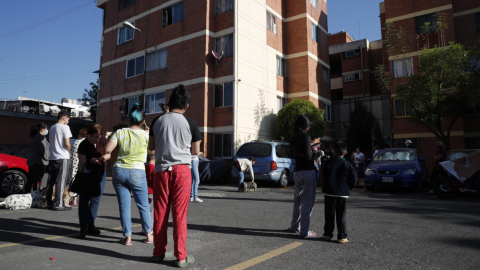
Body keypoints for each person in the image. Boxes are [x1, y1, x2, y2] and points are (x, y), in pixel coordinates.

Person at [148, 84, 197, 267]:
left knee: (160, 212)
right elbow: (195, 150)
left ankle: (159, 252)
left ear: (169, 102)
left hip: (161, 170)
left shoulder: (157, 121)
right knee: (179, 215)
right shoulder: (190, 123)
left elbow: (151, 149)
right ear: (186, 106)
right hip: (182, 170)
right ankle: (181, 257)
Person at [100, 104, 153, 245]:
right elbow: (152, 152)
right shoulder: (146, 134)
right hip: (137, 171)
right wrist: (147, 133)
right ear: (143, 121)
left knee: (124, 206)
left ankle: (127, 237)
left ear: (129, 120)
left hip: (119, 171)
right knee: (143, 205)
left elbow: (107, 149)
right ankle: (149, 235)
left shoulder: (121, 132)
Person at [286, 114, 318, 238]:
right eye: (308, 126)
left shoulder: (293, 137)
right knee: (307, 202)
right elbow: (308, 157)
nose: (308, 129)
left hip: (297, 171)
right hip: (308, 171)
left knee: (297, 200)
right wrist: (315, 153)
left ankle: (294, 226)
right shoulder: (306, 137)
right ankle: (304, 232)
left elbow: (295, 154)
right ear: (305, 126)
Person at [322, 141, 357, 243]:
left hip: (329, 192)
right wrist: (349, 187)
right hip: (343, 192)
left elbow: (324, 175)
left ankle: (328, 234)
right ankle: (342, 236)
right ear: (345, 153)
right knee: (341, 214)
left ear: (333, 151)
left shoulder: (328, 163)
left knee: (329, 214)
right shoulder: (348, 164)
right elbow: (354, 178)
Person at [76, 124, 107, 239]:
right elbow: (82, 163)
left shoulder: (103, 140)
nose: (96, 139)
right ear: (87, 134)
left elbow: (108, 154)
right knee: (84, 201)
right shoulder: (83, 145)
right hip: (87, 175)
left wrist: (99, 159)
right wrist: (81, 174)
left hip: (100, 174)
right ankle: (83, 228)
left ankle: (91, 225)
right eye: (93, 136)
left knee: (96, 200)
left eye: (97, 137)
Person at [46, 111, 73, 211]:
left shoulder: (52, 127)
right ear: (64, 118)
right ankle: (59, 204)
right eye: (68, 119)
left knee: (50, 181)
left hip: (52, 157)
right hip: (63, 157)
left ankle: (49, 202)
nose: (68, 122)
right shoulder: (65, 127)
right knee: (61, 181)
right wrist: (69, 152)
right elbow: (67, 143)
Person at [65, 128, 88, 206]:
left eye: (79, 134)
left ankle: (69, 199)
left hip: (74, 165)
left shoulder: (76, 142)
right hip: (83, 165)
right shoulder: (87, 143)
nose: (77, 136)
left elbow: (72, 155)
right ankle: (75, 200)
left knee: (72, 182)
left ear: (81, 135)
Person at [26, 123, 49, 193]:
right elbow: (44, 150)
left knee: (30, 179)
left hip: (31, 159)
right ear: (42, 129)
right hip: (40, 161)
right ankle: (35, 196)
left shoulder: (33, 136)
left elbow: (30, 149)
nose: (47, 130)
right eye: (46, 129)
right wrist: (48, 158)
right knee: (37, 180)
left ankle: (27, 194)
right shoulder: (42, 138)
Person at [145, 153, 155, 228]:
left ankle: (144, 227)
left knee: (145, 209)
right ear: (153, 159)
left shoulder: (145, 166)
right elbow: (155, 179)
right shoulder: (153, 167)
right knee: (151, 210)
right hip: (151, 190)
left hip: (144, 190)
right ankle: (150, 227)